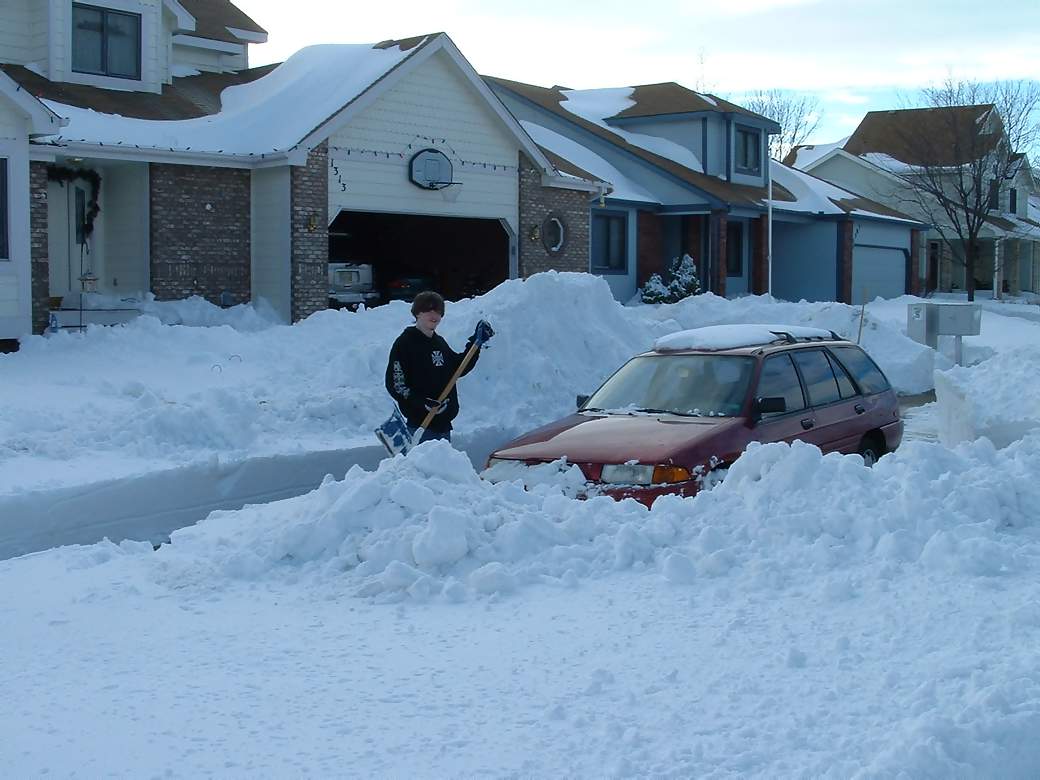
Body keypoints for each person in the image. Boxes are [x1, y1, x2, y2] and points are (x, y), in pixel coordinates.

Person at [384, 291, 494, 443]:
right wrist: (422, 403)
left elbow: (458, 369)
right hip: (420, 427)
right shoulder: (405, 344)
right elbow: (396, 384)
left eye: (438, 311)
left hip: (443, 427)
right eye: (428, 310)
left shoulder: (439, 342)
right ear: (417, 313)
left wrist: (476, 343)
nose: (434, 315)